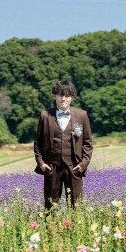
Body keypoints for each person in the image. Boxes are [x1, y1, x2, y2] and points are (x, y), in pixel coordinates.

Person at [34, 80, 93, 212]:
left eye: (67, 95)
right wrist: (41, 163)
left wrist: (83, 164)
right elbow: (37, 142)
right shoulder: (45, 115)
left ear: (72, 97)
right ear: (55, 96)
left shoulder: (82, 115)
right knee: (50, 207)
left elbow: (88, 143)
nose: (63, 98)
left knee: (76, 207)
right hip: (51, 166)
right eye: (60, 95)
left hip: (74, 167)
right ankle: (51, 231)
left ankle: (75, 231)